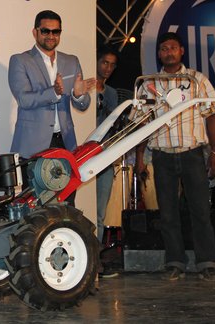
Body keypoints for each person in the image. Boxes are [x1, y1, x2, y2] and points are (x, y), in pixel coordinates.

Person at [134, 32, 215, 281]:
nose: (168, 52)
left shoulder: (197, 80)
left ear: (181, 51)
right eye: (164, 48)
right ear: (159, 53)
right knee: (168, 213)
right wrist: (139, 158)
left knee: (200, 210)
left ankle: (207, 262)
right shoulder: (149, 83)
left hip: (193, 153)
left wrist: (214, 152)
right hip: (162, 155)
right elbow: (141, 123)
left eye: (173, 47)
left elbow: (212, 115)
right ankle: (175, 262)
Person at [8, 10, 95, 204]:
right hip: (33, 146)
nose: (51, 36)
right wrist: (54, 92)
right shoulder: (20, 60)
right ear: (35, 32)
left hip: (65, 143)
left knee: (67, 203)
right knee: (33, 205)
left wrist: (78, 95)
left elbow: (82, 105)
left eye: (56, 32)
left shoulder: (71, 61)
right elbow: (24, 99)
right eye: (45, 31)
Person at [95, 45, 119, 244]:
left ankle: (95, 257)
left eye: (112, 65)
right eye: (104, 63)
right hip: (83, 155)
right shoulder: (84, 88)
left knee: (100, 212)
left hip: (104, 156)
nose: (108, 68)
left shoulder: (112, 93)